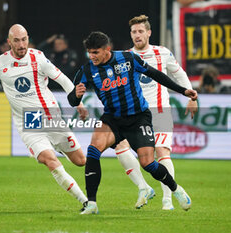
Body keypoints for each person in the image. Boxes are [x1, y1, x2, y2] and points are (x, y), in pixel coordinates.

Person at [68, 31, 197, 214]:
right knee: (93, 150)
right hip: (112, 119)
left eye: (95, 52)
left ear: (107, 50)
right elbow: (72, 100)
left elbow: (156, 75)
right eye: (89, 52)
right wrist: (76, 95)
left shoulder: (128, 59)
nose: (92, 56)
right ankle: (92, 203)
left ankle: (176, 189)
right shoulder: (87, 70)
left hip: (138, 118)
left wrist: (184, 91)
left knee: (148, 164)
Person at [0, 24, 88, 210]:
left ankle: (57, 145)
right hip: (28, 123)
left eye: (24, 40)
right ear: (9, 42)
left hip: (51, 117)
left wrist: (78, 102)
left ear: (28, 38)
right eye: (16, 40)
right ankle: (84, 202)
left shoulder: (38, 58)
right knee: (50, 160)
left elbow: (62, 78)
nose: (21, 45)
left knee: (81, 161)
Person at [112, 15, 199, 210]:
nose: (137, 35)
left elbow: (179, 74)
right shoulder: (124, 57)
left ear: (149, 33)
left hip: (160, 112)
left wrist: (192, 97)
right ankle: (144, 188)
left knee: (161, 152)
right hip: (134, 115)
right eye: (134, 32)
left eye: (140, 31)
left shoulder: (162, 53)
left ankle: (167, 200)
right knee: (119, 146)